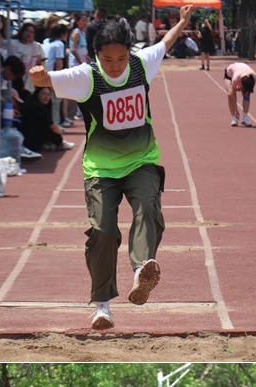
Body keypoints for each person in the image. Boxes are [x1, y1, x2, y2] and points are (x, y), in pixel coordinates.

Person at [30, 6, 194, 331]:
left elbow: (165, 44)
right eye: (108, 60)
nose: (116, 66)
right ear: (96, 55)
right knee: (104, 233)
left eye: (121, 59)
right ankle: (102, 305)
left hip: (141, 160)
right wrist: (39, 77)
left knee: (148, 207)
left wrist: (183, 23)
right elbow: (46, 79)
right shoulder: (85, 77)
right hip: (101, 169)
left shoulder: (141, 64)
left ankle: (141, 270)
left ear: (129, 53)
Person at [224, 61, 256, 127]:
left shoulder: (254, 77)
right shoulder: (235, 78)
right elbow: (234, 94)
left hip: (243, 74)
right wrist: (236, 109)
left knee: (247, 95)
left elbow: (249, 89)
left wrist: (244, 90)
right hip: (229, 75)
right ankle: (234, 118)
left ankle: (245, 118)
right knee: (230, 94)